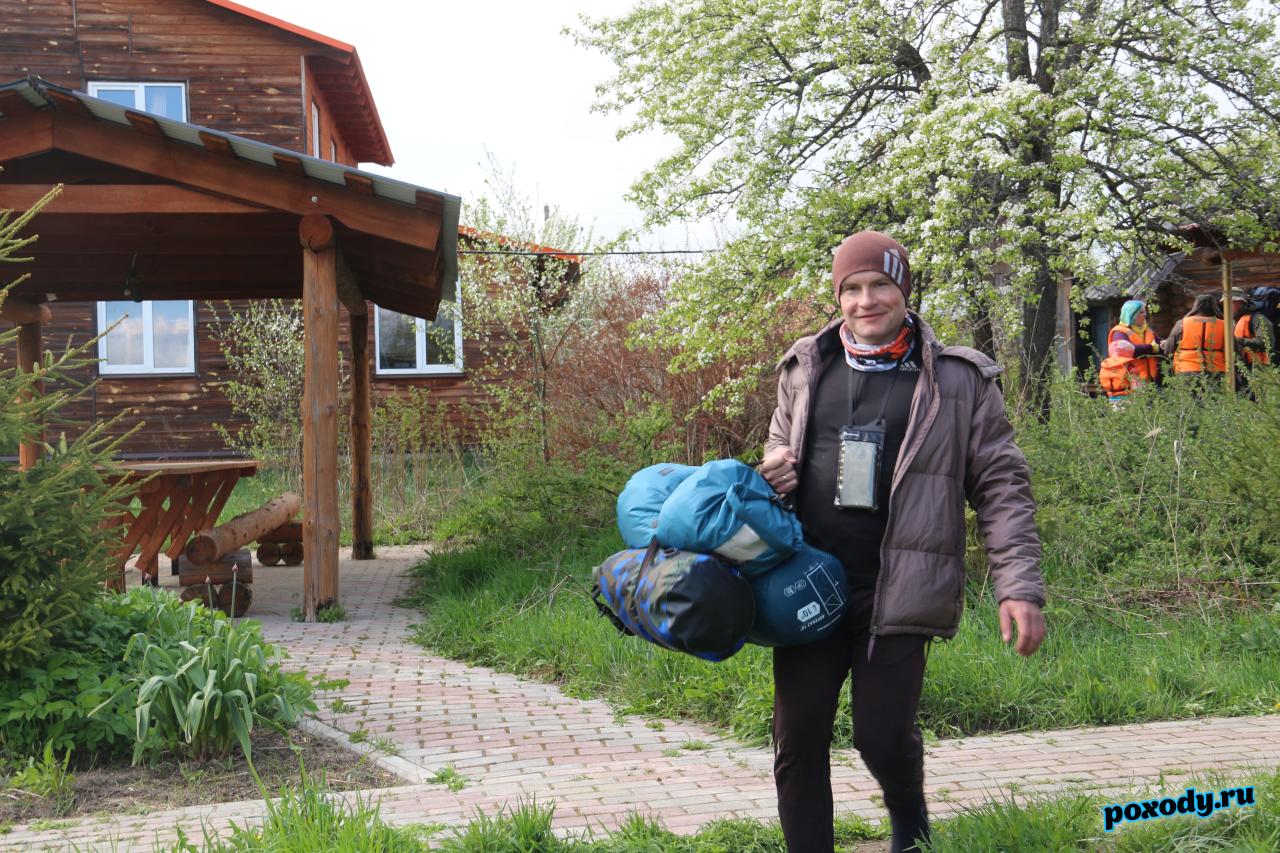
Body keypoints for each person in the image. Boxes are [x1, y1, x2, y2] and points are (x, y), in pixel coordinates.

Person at [759, 230, 1047, 853]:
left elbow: (1001, 486)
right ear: (839, 296)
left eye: (880, 285)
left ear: (904, 290)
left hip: (899, 588)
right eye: (852, 288)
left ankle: (910, 820)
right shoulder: (805, 367)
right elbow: (776, 459)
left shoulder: (957, 379)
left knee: (881, 736)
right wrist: (770, 474)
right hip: (806, 583)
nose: (866, 301)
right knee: (798, 739)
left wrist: (1017, 588)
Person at [1097, 299, 1162, 405]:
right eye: (1141, 312)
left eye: (1144, 311)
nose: (1145, 314)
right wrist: (1152, 348)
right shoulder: (1120, 333)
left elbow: (1161, 346)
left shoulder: (1148, 331)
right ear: (1132, 315)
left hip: (1148, 383)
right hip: (1129, 384)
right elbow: (1128, 351)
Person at [1163, 293, 1229, 378]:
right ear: (1214, 307)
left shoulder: (1182, 323)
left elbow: (1169, 349)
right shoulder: (1224, 325)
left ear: (1196, 306)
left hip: (1187, 370)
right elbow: (1235, 349)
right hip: (1217, 371)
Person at [1231, 288, 1274, 369]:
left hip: (1259, 370)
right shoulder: (1235, 321)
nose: (1226, 307)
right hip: (1242, 369)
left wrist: (1239, 341)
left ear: (1241, 302)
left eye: (1231, 303)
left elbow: (1267, 343)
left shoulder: (1258, 319)